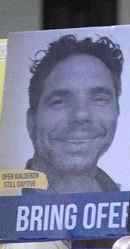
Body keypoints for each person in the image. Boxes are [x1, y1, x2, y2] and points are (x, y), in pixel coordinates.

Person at [25, 35, 123, 194]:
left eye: (99, 99)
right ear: (31, 121)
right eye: (60, 101)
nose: (81, 115)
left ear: (117, 112)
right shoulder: (0, 209)